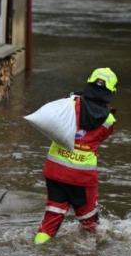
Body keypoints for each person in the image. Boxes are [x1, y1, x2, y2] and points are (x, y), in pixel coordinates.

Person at [34, 68, 118, 244]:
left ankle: (37, 249)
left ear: (88, 84)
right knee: (90, 224)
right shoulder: (109, 121)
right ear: (111, 92)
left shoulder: (68, 104)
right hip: (82, 177)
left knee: (51, 219)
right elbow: (98, 135)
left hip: (55, 170)